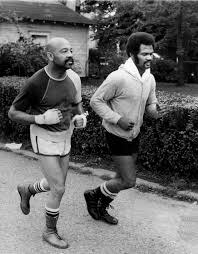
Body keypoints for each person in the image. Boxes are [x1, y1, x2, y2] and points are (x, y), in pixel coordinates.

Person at [8, 37, 87, 249]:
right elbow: (13, 113)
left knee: (57, 183)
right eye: (64, 51)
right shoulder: (37, 82)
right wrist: (39, 118)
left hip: (65, 136)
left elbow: (77, 103)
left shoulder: (74, 77)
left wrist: (81, 117)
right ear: (51, 56)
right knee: (59, 188)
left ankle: (28, 189)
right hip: (43, 137)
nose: (70, 54)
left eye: (70, 50)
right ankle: (49, 231)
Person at [84, 32, 166, 225]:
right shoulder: (118, 77)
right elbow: (96, 101)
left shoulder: (149, 78)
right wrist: (117, 118)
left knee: (120, 177)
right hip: (116, 134)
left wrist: (156, 111)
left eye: (151, 54)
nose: (149, 58)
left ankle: (100, 206)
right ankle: (93, 195)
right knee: (129, 180)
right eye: (144, 54)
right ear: (131, 53)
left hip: (134, 134)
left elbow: (150, 104)